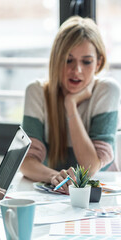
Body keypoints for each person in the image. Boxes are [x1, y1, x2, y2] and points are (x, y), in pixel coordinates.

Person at [20, 16, 120, 194]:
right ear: (56, 60)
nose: (76, 70)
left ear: (98, 62)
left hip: (100, 197)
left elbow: (90, 167)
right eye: (68, 60)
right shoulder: (37, 91)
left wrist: (70, 104)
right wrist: (55, 177)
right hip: (53, 196)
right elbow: (26, 163)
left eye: (86, 61)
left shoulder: (107, 90)